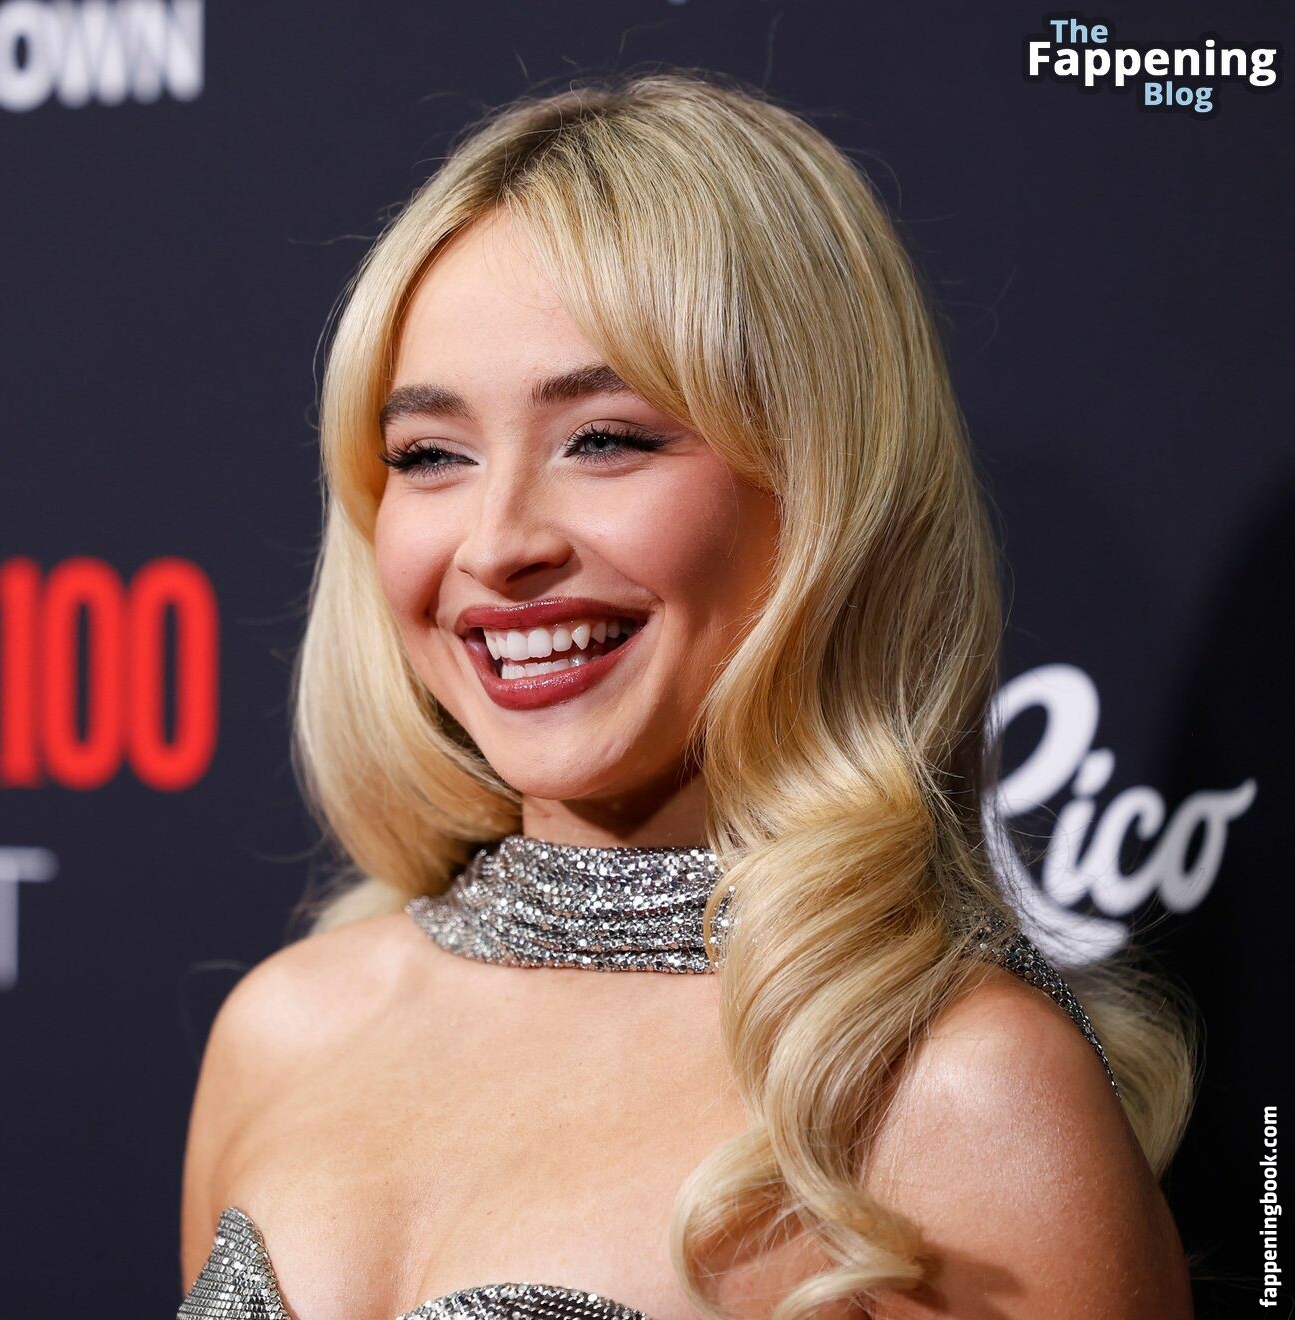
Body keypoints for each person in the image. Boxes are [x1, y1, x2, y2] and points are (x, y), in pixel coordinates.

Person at [178, 69, 1197, 1319]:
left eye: (605, 439)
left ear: (822, 484)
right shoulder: (283, 1031)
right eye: (431, 456)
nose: (497, 544)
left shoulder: (954, 1095)